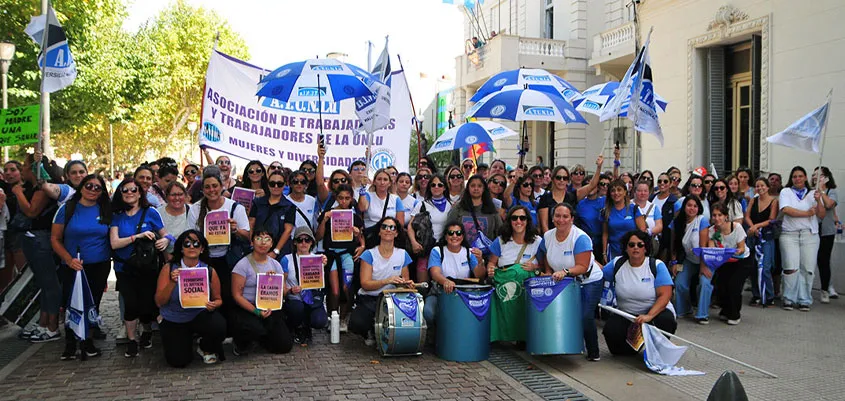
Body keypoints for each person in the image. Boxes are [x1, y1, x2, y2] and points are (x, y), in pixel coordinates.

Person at [51, 174, 112, 359]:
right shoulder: (67, 208)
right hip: (73, 265)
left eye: (97, 187)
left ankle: (88, 342)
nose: (92, 190)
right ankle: (70, 344)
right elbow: (55, 238)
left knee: (93, 304)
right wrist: (69, 260)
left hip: (99, 265)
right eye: (89, 186)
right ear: (81, 187)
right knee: (71, 303)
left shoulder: (106, 209)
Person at [110, 178, 170, 357]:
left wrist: (165, 240)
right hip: (125, 267)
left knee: (146, 303)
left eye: (133, 190)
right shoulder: (117, 215)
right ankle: (131, 340)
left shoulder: (150, 212)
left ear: (139, 193)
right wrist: (137, 237)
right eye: (125, 190)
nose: (129, 193)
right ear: (120, 194)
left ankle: (146, 331)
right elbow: (114, 243)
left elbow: (166, 234)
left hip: (147, 266)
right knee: (130, 304)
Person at [538, 203, 604, 361]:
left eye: (565, 216)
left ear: (572, 219)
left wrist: (565, 272)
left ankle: (593, 352)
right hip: (563, 281)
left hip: (588, 280)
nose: (561, 220)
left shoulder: (580, 238)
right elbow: (543, 254)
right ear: (552, 218)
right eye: (557, 216)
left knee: (585, 315)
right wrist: (547, 271)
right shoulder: (547, 236)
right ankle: (565, 345)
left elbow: (582, 266)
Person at [187, 174, 251, 335]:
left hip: (229, 259)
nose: (211, 190)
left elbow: (247, 235)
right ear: (202, 190)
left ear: (222, 186)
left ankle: (229, 332)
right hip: (205, 259)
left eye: (215, 186)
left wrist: (235, 229)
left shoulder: (235, 207)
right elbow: (190, 236)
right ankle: (209, 332)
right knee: (207, 298)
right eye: (207, 187)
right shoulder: (195, 209)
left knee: (229, 296)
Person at [154, 230, 226, 366]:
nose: (192, 247)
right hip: (174, 317)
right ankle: (180, 339)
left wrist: (214, 305)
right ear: (181, 248)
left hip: (199, 315)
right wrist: (172, 282)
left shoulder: (209, 270)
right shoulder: (169, 268)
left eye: (196, 243)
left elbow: (218, 299)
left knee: (219, 326)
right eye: (187, 243)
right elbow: (159, 302)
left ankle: (205, 346)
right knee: (179, 362)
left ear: (202, 248)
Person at [602, 230, 676, 355]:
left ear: (646, 248)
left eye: (640, 245)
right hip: (627, 314)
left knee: (666, 320)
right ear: (626, 248)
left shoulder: (657, 265)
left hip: (654, 314)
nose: (636, 248)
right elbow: (599, 275)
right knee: (612, 335)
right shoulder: (617, 264)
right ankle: (633, 346)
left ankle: (657, 349)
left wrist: (649, 316)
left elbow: (666, 295)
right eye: (631, 245)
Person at [13, 153, 62, 343]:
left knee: (50, 283)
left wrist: (18, 193)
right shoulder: (31, 188)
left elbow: (32, 211)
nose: (21, 171)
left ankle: (52, 326)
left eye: (24, 167)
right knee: (43, 283)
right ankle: (43, 323)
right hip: (32, 239)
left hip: (41, 239)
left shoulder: (42, 190)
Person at [349, 216, 414, 346]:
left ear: (396, 233)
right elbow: (365, 284)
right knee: (356, 323)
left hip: (393, 299)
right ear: (379, 231)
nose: (388, 230)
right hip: (370, 298)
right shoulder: (369, 254)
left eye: (392, 227)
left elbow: (405, 283)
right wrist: (386, 281)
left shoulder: (403, 254)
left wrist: (407, 284)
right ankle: (370, 330)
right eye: (384, 227)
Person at [230, 228, 294, 355]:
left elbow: (282, 292)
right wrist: (256, 311)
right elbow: (236, 296)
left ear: (272, 244)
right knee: (253, 328)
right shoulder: (242, 265)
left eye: (267, 239)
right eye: (258, 238)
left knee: (284, 346)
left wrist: (274, 281)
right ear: (252, 243)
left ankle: (263, 338)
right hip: (248, 308)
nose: (263, 243)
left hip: (269, 306)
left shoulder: (276, 265)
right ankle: (241, 343)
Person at [487, 206, 542, 343]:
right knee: (505, 315)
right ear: (509, 221)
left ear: (528, 221)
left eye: (522, 218)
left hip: (527, 291)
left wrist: (535, 267)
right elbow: (491, 262)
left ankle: (523, 339)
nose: (518, 221)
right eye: (514, 218)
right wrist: (491, 269)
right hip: (506, 289)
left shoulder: (538, 242)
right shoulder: (500, 241)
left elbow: (547, 267)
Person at [315, 184, 365, 332]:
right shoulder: (328, 213)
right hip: (331, 254)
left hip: (347, 255)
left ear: (351, 199)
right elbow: (318, 236)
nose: (344, 201)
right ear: (336, 198)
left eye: (347, 198)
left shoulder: (354, 216)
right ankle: (333, 317)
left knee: (346, 287)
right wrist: (324, 220)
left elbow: (362, 240)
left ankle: (343, 318)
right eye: (341, 198)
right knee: (335, 290)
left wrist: (359, 238)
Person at [779, 166, 825, 311]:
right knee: (791, 267)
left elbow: (821, 215)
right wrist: (806, 213)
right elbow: (786, 210)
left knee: (807, 267)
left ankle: (804, 299)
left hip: (809, 234)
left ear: (805, 177)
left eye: (800, 176)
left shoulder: (813, 193)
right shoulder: (785, 192)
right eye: (794, 176)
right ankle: (789, 298)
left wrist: (819, 200)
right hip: (789, 234)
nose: (797, 179)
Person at [423, 222, 484, 329]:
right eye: (451, 233)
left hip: (464, 294)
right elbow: (435, 274)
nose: (454, 236)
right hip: (439, 291)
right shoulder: (437, 251)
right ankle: (435, 335)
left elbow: (480, 275)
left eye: (458, 233)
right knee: (429, 312)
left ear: (463, 236)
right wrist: (445, 281)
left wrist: (480, 262)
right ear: (446, 236)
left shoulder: (469, 252)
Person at [281, 226, 329, 344]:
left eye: (307, 240)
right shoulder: (287, 259)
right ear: (295, 243)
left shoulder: (318, 259)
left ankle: (307, 326)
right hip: (295, 299)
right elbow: (281, 287)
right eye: (300, 240)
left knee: (320, 321)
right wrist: (290, 290)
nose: (303, 243)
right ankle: (295, 326)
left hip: (312, 299)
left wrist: (324, 265)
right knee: (297, 309)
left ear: (312, 242)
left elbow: (320, 283)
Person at [708, 203, 752, 325]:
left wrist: (734, 251)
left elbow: (741, 248)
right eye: (714, 215)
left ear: (726, 216)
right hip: (725, 261)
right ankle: (725, 310)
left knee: (734, 286)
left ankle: (734, 314)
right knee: (722, 286)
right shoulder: (711, 231)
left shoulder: (737, 227)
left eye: (720, 215)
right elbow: (712, 249)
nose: (717, 218)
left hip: (742, 260)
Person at [671, 196, 711, 324]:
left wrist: (703, 266)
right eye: (689, 205)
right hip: (689, 259)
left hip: (705, 260)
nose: (692, 208)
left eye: (695, 206)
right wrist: (674, 263)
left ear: (699, 208)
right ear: (684, 207)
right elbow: (674, 245)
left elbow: (703, 247)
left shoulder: (702, 221)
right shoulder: (677, 222)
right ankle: (685, 309)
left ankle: (702, 314)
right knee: (679, 283)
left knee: (704, 283)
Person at [538, 156, 603, 233]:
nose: (562, 180)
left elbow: (592, 185)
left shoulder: (572, 196)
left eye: (565, 178)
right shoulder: (545, 198)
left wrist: (599, 167)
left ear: (568, 180)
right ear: (553, 179)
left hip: (570, 238)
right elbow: (544, 225)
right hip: (552, 239)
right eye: (559, 177)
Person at [407, 175, 452, 284]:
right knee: (423, 284)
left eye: (440, 185)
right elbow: (410, 226)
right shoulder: (421, 204)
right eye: (433, 185)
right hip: (425, 248)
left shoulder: (451, 205)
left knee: (443, 281)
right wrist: (413, 243)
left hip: (444, 248)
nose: (436, 187)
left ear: (444, 187)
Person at [446, 175, 503, 250]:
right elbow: (448, 230)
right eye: (473, 186)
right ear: (468, 188)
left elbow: (501, 232)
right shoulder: (458, 208)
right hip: (462, 254)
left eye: (479, 186)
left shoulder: (491, 209)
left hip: (486, 256)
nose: (476, 188)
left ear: (483, 189)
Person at [745, 177, 778, 306]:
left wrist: (756, 226)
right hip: (753, 237)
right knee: (753, 267)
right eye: (757, 186)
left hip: (766, 237)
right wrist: (752, 227)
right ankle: (756, 294)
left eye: (762, 185)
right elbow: (747, 216)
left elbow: (771, 219)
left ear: (768, 187)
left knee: (765, 267)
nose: (760, 188)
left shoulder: (773, 202)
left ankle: (769, 296)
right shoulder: (753, 200)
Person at [249, 171, 295, 259]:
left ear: (285, 185)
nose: (276, 186)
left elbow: (288, 230)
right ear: (268, 184)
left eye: (280, 184)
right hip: (257, 249)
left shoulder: (290, 206)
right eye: (272, 183)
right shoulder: (257, 202)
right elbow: (251, 223)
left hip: (280, 252)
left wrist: (276, 251)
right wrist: (252, 244)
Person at [601, 180, 646, 264]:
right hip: (614, 251)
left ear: (625, 192)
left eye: (619, 190)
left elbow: (642, 231)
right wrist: (604, 252)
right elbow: (605, 233)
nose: (616, 193)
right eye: (613, 190)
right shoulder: (606, 212)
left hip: (633, 251)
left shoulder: (634, 209)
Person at [358, 169, 406, 247]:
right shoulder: (368, 195)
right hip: (371, 237)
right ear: (374, 182)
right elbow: (362, 208)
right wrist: (363, 188)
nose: (382, 182)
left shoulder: (395, 199)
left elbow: (400, 223)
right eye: (379, 179)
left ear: (390, 183)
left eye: (385, 179)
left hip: (389, 237)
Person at [813, 166, 838, 304]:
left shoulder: (831, 191)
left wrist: (822, 190)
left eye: (820, 175)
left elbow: (829, 205)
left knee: (823, 260)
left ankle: (825, 289)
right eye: (814, 175)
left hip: (827, 231)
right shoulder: (811, 192)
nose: (816, 177)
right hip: (813, 230)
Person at [157, 182, 191, 256]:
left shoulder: (192, 211)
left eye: (180, 194)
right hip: (164, 257)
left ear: (185, 195)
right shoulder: (158, 213)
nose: (177, 198)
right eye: (173, 195)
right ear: (166, 196)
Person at [287, 170, 319, 240]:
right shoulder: (285, 201)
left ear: (306, 184)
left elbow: (316, 223)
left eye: (302, 182)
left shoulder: (312, 200)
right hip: (290, 242)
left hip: (308, 243)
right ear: (290, 184)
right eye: (295, 181)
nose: (299, 184)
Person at [632, 180, 663, 250]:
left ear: (649, 192)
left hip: (649, 243)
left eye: (645, 191)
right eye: (639, 191)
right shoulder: (628, 205)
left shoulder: (654, 207)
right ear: (635, 192)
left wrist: (649, 232)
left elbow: (659, 226)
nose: (642, 193)